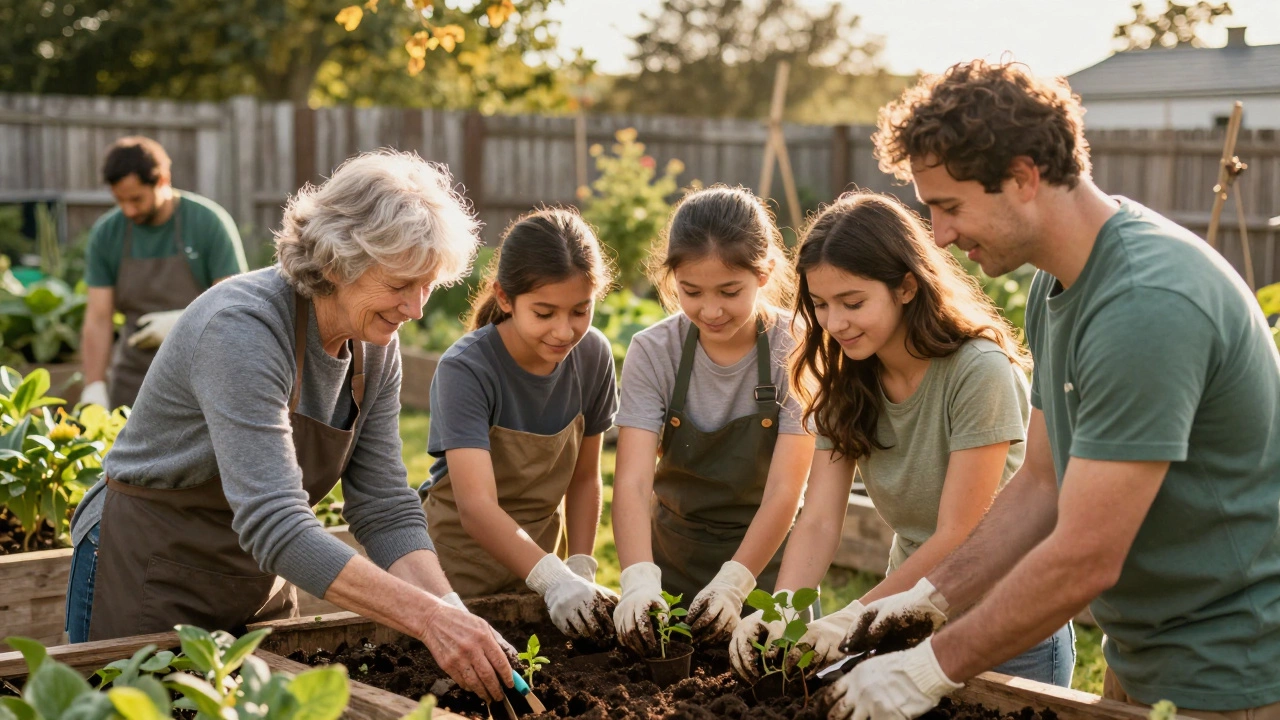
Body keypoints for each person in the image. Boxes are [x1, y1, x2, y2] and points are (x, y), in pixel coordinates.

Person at [824, 60, 1280, 720]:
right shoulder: (1057, 283)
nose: (940, 236)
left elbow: (1085, 557)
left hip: (1234, 670)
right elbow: (1039, 485)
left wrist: (927, 669)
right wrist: (918, 601)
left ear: (1024, 178)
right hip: (1145, 654)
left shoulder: (1143, 304)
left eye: (950, 207)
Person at [65, 150, 514, 702]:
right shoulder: (243, 329)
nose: (416, 308)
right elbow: (275, 523)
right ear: (336, 262)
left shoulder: (374, 346)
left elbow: (383, 506)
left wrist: (453, 614)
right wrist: (426, 621)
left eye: (428, 286)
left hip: (256, 578)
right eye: (402, 283)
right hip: (152, 569)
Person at [729, 191, 1074, 688]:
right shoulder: (844, 377)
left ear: (907, 287)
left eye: (853, 302)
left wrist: (853, 619)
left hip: (1006, 619)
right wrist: (782, 612)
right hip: (901, 620)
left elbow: (959, 532)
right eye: (822, 304)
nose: (836, 323)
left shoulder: (978, 372)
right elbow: (822, 518)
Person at [611, 185, 815, 655]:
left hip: (768, 571)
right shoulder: (653, 350)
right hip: (672, 564)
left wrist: (736, 584)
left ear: (764, 274)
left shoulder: (797, 345)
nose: (711, 310)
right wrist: (639, 578)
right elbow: (633, 484)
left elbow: (787, 490)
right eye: (691, 291)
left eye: (729, 291)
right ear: (672, 279)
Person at [420, 207, 620, 640]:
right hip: (457, 574)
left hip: (545, 573)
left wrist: (579, 568)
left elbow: (585, 478)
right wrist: (553, 578)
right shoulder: (467, 369)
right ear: (505, 298)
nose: (565, 332)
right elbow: (475, 508)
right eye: (544, 313)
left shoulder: (593, 357)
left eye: (580, 311)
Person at [79, 136, 247, 410]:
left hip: (200, 371)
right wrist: (94, 384)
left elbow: (232, 303)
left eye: (136, 199)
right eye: (120, 200)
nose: (128, 209)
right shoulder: (107, 233)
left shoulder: (208, 222)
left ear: (162, 180)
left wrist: (183, 321)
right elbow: (98, 317)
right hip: (135, 377)